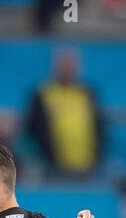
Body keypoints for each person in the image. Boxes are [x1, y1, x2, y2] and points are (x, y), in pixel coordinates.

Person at [25, 48, 106, 179]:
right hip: (52, 167)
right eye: (63, 65)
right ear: (55, 66)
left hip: (87, 166)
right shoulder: (42, 93)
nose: (67, 69)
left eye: (70, 65)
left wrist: (97, 156)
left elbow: (100, 125)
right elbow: (30, 128)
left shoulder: (87, 93)